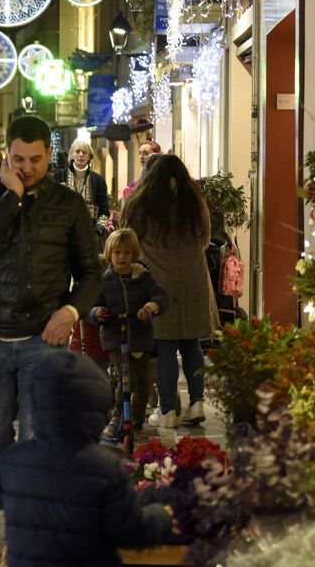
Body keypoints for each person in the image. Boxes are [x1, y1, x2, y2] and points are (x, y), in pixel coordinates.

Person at [0, 349, 172, 566]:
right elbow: (130, 530)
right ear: (97, 407)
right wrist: (162, 515)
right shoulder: (106, 469)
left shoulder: (15, 460)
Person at [0, 114, 101, 458]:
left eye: (35, 159)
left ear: (50, 153)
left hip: (43, 336)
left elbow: (91, 272)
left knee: (39, 441)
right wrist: (13, 196)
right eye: (18, 159)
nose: (26, 167)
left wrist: (70, 311)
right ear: (7, 155)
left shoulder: (68, 204)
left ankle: (24, 510)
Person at [120, 154, 219, 430]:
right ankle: (197, 402)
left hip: (159, 280)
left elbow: (129, 238)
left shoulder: (141, 203)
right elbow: (206, 237)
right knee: (191, 344)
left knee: (164, 346)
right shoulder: (194, 201)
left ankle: (167, 411)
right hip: (193, 278)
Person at [87, 229, 168, 439]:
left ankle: (137, 419)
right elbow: (92, 307)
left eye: (126, 253)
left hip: (140, 337)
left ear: (133, 255)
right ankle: (118, 417)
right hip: (116, 337)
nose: (121, 257)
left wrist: (150, 307)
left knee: (142, 386)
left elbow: (160, 296)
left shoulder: (143, 278)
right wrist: (98, 313)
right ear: (109, 254)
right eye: (117, 253)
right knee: (124, 381)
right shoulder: (104, 281)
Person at [62, 139, 110, 237]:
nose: (81, 155)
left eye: (84, 152)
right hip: (63, 233)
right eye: (77, 151)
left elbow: (104, 211)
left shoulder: (99, 181)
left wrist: (99, 228)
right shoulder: (60, 175)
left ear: (89, 157)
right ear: (72, 155)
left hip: (90, 234)